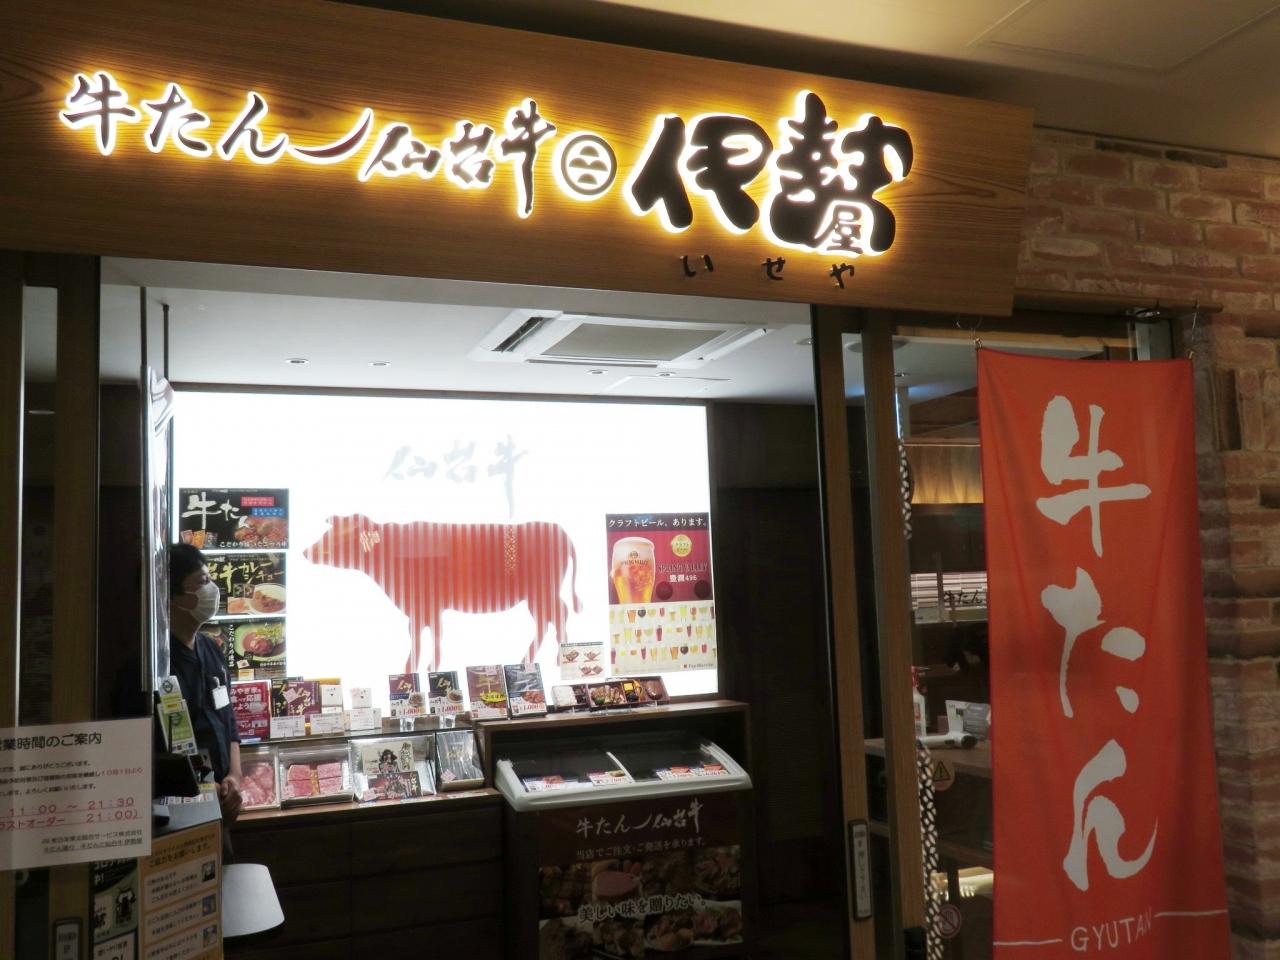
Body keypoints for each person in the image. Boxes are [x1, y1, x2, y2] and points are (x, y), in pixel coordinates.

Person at [169, 542, 243, 822]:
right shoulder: (157, 664)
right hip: (182, 810)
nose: (212, 589)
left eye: (211, 579)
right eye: (202, 582)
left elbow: (228, 720)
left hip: (222, 801)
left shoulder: (211, 648)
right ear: (174, 597)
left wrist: (234, 776)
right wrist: (202, 787)